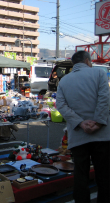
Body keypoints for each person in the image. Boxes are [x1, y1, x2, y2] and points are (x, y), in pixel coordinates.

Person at [56, 51, 110, 203]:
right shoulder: (99, 73)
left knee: (80, 175)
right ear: (87, 61)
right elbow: (104, 99)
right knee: (104, 175)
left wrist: (80, 122)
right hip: (102, 134)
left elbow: (60, 105)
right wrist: (98, 122)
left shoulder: (64, 80)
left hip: (79, 134)